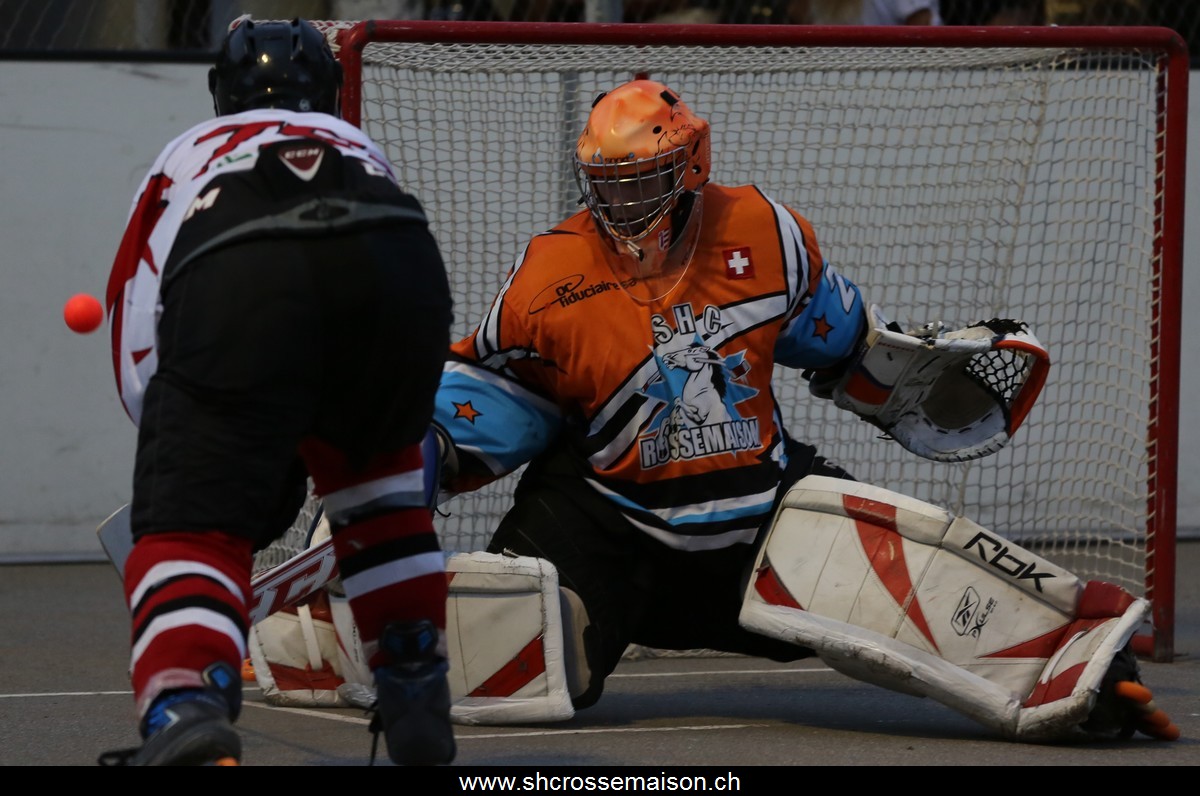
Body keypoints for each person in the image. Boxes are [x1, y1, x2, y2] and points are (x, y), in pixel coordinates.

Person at [427, 78, 1178, 742]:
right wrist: (425, 450)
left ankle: (1084, 669)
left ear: (690, 165)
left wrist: (910, 374)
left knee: (919, 602)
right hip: (605, 522)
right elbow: (495, 391)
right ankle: (367, 630)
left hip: (758, 520)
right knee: (487, 672)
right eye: (606, 184)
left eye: (642, 180)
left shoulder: (765, 232)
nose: (621, 203)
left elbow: (848, 345)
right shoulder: (547, 272)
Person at [98, 17, 455, 766]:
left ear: (221, 92)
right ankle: (414, 681)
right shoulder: (355, 144)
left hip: (241, 261)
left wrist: (185, 451)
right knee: (379, 493)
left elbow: (134, 299)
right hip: (397, 260)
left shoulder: (187, 150)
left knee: (193, 522)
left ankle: (186, 701)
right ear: (329, 89)